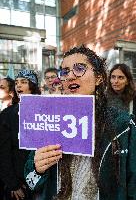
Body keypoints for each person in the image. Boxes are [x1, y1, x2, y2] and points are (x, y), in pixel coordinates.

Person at [24, 45, 136, 200]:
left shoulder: (123, 125)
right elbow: (32, 182)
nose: (70, 76)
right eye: (64, 72)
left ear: (99, 78)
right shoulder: (49, 119)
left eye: (79, 68)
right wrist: (37, 169)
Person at [0, 69, 41, 200]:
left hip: (43, 180)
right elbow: (3, 151)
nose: (18, 85)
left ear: (33, 86)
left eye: (24, 82)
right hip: (19, 183)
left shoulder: (46, 110)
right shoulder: (8, 114)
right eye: (17, 82)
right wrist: (12, 184)